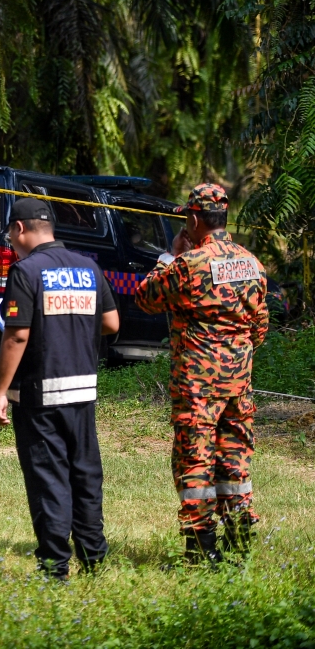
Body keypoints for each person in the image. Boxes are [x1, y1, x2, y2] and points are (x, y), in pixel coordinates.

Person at [135, 183, 268, 564]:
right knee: (235, 458)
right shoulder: (253, 263)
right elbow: (259, 326)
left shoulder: (189, 264)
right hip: (238, 384)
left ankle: (201, 548)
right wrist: (235, 354)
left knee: (194, 461)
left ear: (193, 219)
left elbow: (146, 297)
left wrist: (168, 257)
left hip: (198, 384)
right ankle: (241, 540)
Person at [0, 197, 120, 580]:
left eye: (11, 236)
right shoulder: (88, 267)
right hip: (82, 392)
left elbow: (16, 336)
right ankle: (94, 560)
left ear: (19, 229)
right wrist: (72, 324)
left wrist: (0, 390)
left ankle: (54, 568)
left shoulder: (26, 271)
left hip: (39, 394)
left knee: (48, 480)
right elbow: (111, 323)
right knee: (84, 475)